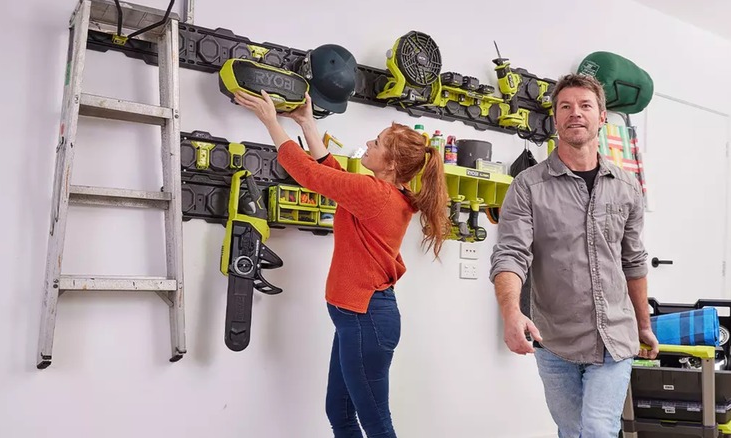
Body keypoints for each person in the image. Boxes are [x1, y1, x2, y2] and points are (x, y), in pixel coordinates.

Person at [234, 89, 451, 437]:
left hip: (366, 320)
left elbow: (309, 175)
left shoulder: (375, 194)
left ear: (392, 164)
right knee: (340, 412)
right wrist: (307, 124)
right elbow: (332, 175)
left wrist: (271, 123)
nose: (369, 143)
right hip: (359, 319)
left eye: (377, 143)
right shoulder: (382, 194)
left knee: (376, 423)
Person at [489, 74, 659, 437]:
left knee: (598, 430)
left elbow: (634, 261)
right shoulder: (528, 186)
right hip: (556, 341)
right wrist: (511, 313)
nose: (575, 113)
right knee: (572, 431)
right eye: (565, 107)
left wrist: (643, 324)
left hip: (615, 336)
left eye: (585, 106)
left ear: (601, 117)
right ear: (555, 119)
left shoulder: (627, 187)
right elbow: (510, 255)